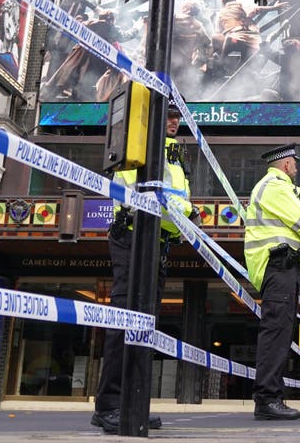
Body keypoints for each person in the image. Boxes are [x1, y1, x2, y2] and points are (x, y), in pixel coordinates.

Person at [92, 101, 193, 435]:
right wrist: (181, 215)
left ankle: (132, 402)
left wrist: (182, 218)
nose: (174, 122)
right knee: (125, 320)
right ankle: (109, 405)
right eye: (169, 116)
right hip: (133, 237)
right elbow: (148, 197)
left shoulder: (174, 156)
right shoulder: (141, 147)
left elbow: (178, 203)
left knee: (145, 325)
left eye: (178, 117)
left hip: (157, 244)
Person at [244, 143, 300, 421]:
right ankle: (267, 399)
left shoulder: (273, 187)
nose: (297, 168)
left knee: (280, 333)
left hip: (281, 268)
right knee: (276, 335)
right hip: (278, 268)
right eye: (295, 163)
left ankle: (270, 397)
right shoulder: (275, 186)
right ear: (286, 165)